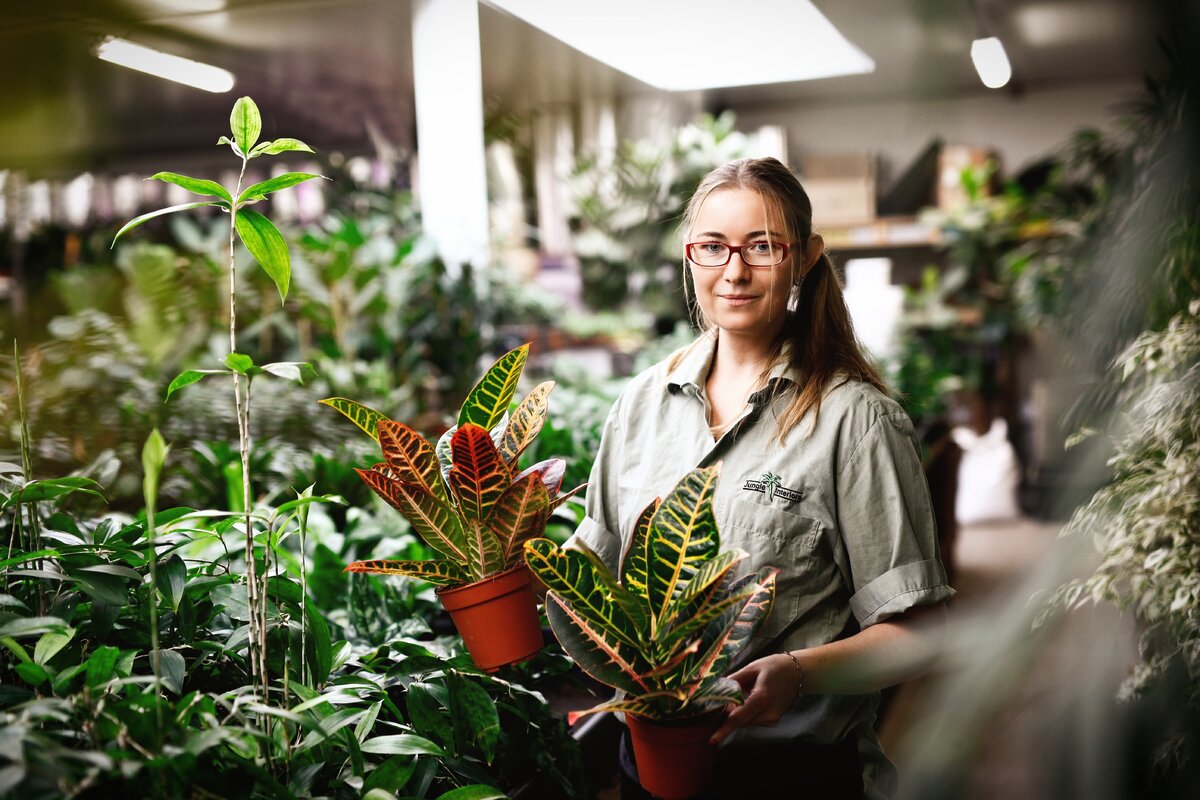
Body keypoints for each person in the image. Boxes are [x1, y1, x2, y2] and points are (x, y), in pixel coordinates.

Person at [566, 157, 955, 798]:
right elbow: (590, 584)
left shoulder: (854, 421)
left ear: (804, 258)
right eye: (713, 246)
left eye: (763, 247)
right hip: (648, 769)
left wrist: (798, 672)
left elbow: (918, 634)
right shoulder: (640, 404)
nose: (735, 270)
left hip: (791, 777)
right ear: (690, 256)